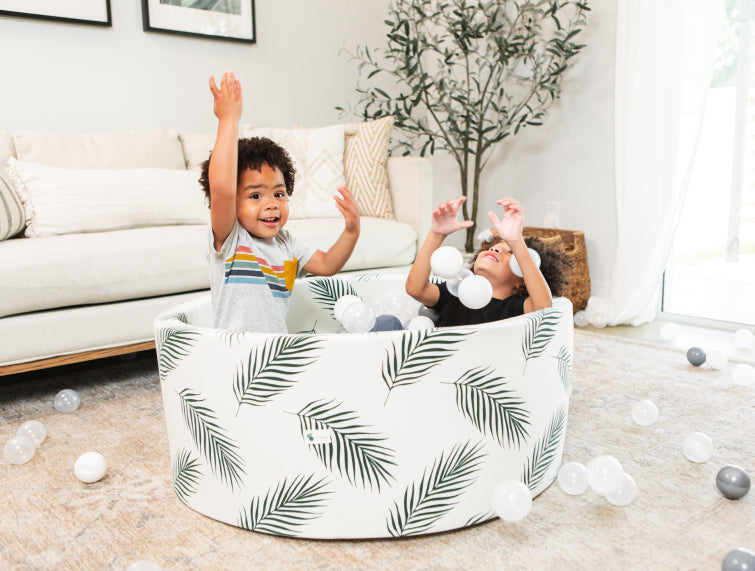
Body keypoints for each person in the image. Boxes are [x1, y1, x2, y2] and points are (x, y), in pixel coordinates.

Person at [199, 71, 360, 332]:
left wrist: (352, 231)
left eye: (279, 193)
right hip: (235, 356)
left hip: (275, 353)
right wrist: (228, 119)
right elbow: (222, 190)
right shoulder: (231, 239)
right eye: (255, 196)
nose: (272, 203)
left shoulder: (287, 244)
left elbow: (328, 264)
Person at [405, 196, 571, 327]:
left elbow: (543, 307)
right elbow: (415, 288)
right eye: (493, 247)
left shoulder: (513, 308)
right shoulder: (455, 293)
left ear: (522, 281)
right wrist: (437, 234)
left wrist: (516, 242)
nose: (495, 249)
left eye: (510, 253)